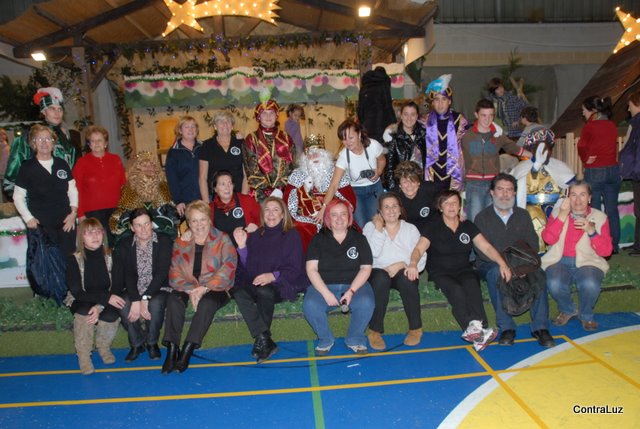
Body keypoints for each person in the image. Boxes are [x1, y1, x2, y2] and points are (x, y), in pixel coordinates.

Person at [406, 190, 509, 352]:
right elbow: (419, 248)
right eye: (446, 203)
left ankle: (476, 331)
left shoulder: (467, 226)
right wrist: (413, 263)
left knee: (471, 284)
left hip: (463, 269)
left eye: (454, 202)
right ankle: (478, 332)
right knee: (456, 290)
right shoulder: (433, 226)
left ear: (460, 206)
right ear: (440, 207)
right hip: (440, 272)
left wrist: (502, 263)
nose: (451, 206)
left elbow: (486, 247)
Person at [474, 174, 555, 348]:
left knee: (538, 273)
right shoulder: (482, 217)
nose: (505, 194)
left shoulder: (523, 215)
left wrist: (519, 267)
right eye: (500, 189)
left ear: (514, 193)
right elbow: (482, 251)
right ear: (492, 192)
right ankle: (506, 327)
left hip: (518, 262)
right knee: (497, 273)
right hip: (489, 263)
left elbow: (532, 244)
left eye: (509, 190)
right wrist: (506, 266)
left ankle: (540, 327)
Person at [162, 201, 237, 374]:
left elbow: (229, 266)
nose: (199, 224)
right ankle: (172, 349)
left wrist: (204, 288)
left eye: (202, 219)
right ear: (188, 223)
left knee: (207, 303)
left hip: (216, 287)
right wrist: (190, 290)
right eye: (194, 221)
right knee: (173, 299)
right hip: (188, 286)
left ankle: (187, 349)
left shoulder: (222, 238)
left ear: (209, 220)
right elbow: (174, 271)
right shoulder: (181, 242)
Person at [232, 197, 307, 362]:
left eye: (275, 210)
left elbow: (294, 268)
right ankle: (264, 338)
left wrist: (273, 276)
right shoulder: (256, 236)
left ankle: (263, 341)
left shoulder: (291, 235)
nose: (271, 213)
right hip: (259, 281)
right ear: (262, 214)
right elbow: (250, 269)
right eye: (267, 210)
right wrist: (242, 246)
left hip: (282, 283)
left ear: (283, 215)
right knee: (238, 291)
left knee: (264, 291)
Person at [303, 199, 375, 355]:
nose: (339, 218)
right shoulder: (318, 239)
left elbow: (365, 268)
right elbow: (311, 269)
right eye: (334, 214)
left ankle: (355, 339)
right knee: (310, 304)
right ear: (328, 218)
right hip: (324, 285)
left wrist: (351, 291)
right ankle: (325, 339)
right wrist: (325, 293)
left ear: (349, 217)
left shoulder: (360, 239)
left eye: (343, 214)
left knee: (366, 302)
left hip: (354, 285)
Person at [541, 181, 612, 331]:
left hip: (589, 262)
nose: (578, 200)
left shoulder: (600, 217)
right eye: (573, 195)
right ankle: (567, 310)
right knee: (554, 283)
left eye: (582, 195)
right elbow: (548, 239)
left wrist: (592, 232)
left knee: (589, 284)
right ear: (568, 198)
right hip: (559, 261)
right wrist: (562, 215)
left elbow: (606, 251)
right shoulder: (558, 213)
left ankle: (586, 316)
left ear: (589, 198)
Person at [363, 193, 426, 350]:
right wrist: (378, 229)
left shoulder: (410, 229)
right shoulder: (370, 227)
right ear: (380, 211)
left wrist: (403, 264)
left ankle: (416, 328)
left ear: (400, 209)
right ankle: (374, 331)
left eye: (394, 206)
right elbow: (371, 254)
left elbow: (421, 255)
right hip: (377, 271)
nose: (391, 210)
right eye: (386, 207)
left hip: (402, 269)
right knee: (381, 278)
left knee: (408, 280)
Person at [112, 208, 173, 362]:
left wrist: (145, 297)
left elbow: (162, 273)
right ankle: (137, 343)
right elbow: (128, 275)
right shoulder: (124, 245)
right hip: (133, 288)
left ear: (152, 224)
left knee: (155, 303)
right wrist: (135, 299)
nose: (143, 229)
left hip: (159, 286)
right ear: (132, 228)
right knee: (123, 304)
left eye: (146, 224)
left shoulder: (164, 241)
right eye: (138, 225)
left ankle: (152, 342)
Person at [66, 218, 125, 375]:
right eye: (89, 232)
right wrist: (103, 300)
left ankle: (103, 346)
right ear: (81, 237)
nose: (95, 236)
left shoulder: (112, 255)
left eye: (98, 231)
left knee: (112, 314)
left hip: (107, 298)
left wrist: (100, 305)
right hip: (82, 299)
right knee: (85, 313)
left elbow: (118, 285)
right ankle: (84, 356)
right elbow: (77, 292)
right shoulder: (74, 259)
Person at [14, 124, 78, 257]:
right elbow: (18, 196)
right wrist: (28, 219)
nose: (44, 142)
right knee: (46, 263)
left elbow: (72, 190)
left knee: (69, 261)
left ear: (53, 143)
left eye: (48, 139)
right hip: (41, 227)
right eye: (40, 139)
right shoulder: (27, 167)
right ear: (34, 143)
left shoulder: (62, 164)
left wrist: (73, 214)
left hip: (66, 224)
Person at [462, 99, 531, 221]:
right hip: (473, 184)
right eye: (483, 115)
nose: (487, 119)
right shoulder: (465, 135)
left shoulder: (498, 135)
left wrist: (534, 156)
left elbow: (513, 148)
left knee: (493, 220)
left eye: (490, 115)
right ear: (476, 115)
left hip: (493, 184)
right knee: (474, 220)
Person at [284, 134, 356, 249]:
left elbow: (349, 200)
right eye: (310, 154)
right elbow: (288, 204)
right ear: (304, 158)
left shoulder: (336, 172)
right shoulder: (297, 175)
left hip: (333, 216)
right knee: (299, 230)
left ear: (324, 155)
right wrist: (303, 189)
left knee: (348, 230)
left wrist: (329, 211)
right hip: (307, 218)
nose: (314, 156)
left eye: (317, 153)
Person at [4, 87, 79, 197]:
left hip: (61, 197)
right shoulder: (30, 135)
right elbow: (15, 169)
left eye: (60, 109)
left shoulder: (65, 140)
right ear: (44, 111)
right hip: (36, 197)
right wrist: (22, 198)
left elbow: (72, 172)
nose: (57, 113)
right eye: (52, 108)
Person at [321, 119, 385, 228]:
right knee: (360, 225)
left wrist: (378, 171)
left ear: (359, 134)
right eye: (344, 139)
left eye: (351, 137)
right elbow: (334, 185)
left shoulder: (373, 145)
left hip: (375, 188)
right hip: (356, 192)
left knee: (376, 224)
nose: (348, 142)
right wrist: (323, 207)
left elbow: (382, 160)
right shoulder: (343, 156)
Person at [578, 95, 621, 253]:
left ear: (592, 110)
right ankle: (614, 245)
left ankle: (596, 244)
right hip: (613, 170)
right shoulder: (611, 125)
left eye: (584, 110)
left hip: (596, 170)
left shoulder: (590, 126)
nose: (583, 113)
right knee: (612, 210)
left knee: (594, 210)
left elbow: (581, 146)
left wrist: (585, 158)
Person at [72, 125, 126, 245]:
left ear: (105, 143)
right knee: (97, 245)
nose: (96, 143)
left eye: (99, 140)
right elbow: (76, 190)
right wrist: (80, 214)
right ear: (89, 144)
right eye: (93, 141)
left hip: (116, 210)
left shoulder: (116, 159)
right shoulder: (81, 163)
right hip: (92, 213)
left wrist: (125, 209)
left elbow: (124, 186)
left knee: (118, 244)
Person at [110, 151, 178, 242]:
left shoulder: (164, 186)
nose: (148, 168)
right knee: (124, 239)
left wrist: (155, 224)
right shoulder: (128, 188)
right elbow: (123, 212)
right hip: (135, 227)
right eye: (144, 165)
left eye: (151, 165)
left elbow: (171, 211)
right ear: (137, 168)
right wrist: (135, 225)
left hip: (160, 227)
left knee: (170, 235)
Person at [244, 96, 296, 202]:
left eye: (271, 113)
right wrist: (268, 191)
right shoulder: (251, 139)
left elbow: (292, 166)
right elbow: (251, 170)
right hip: (259, 194)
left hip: (283, 192)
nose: (268, 116)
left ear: (276, 115)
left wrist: (280, 189)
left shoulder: (286, 138)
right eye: (264, 113)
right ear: (259, 117)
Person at [423, 74, 468, 193]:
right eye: (436, 99)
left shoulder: (460, 120)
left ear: (449, 101)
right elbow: (408, 126)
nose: (440, 103)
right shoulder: (424, 121)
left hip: (453, 173)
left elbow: (473, 135)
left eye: (444, 99)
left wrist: (493, 127)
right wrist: (393, 128)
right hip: (431, 172)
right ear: (432, 102)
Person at [199, 110, 247, 200]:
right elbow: (203, 177)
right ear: (215, 126)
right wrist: (206, 202)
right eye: (221, 121)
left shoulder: (241, 144)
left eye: (228, 121)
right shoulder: (207, 145)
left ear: (232, 126)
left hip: (238, 195)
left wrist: (244, 199)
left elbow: (246, 175)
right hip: (214, 197)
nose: (225, 124)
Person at [209, 170, 260, 245]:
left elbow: (262, 219)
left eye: (230, 183)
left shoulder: (247, 200)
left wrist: (257, 228)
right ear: (215, 189)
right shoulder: (210, 208)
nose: (227, 187)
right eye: (223, 184)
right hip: (223, 250)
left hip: (248, 247)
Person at [383, 101, 426, 190]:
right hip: (402, 185)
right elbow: (389, 168)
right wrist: (394, 190)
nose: (409, 118)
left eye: (412, 114)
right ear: (401, 115)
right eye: (406, 114)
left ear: (417, 116)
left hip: (421, 184)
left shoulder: (424, 135)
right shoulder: (393, 136)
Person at [165, 116, 203, 217]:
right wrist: (178, 200)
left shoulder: (204, 147)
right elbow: (172, 179)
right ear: (180, 130)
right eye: (187, 127)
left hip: (206, 197)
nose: (191, 129)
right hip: (186, 200)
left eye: (193, 126)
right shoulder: (173, 152)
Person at [619, 90, 640, 256]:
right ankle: (637, 244)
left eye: (630, 105)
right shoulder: (636, 123)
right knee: (638, 210)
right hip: (636, 172)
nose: (628, 108)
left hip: (638, 172)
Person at [357, 66, 397, 144]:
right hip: (381, 125)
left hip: (367, 125)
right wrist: (394, 123)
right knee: (380, 147)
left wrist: (363, 123)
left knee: (369, 146)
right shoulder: (383, 85)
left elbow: (360, 110)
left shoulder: (364, 88)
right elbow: (388, 106)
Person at [393, 161, 438, 229]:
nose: (409, 185)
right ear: (400, 185)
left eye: (413, 180)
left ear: (419, 182)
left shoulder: (430, 189)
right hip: (406, 231)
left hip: (430, 229)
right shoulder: (393, 197)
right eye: (405, 182)